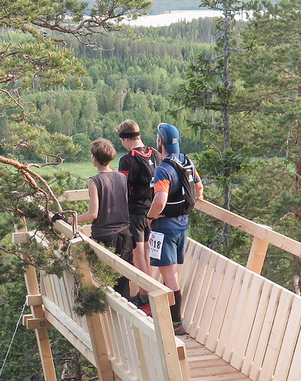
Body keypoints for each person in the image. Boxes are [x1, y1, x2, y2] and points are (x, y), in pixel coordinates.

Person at [147, 122, 203, 335]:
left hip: (165, 228)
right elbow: (199, 188)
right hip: (182, 225)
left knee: (168, 275)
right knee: (173, 273)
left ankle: (175, 324)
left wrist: (149, 217)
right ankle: (171, 318)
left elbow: (160, 201)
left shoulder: (163, 170)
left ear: (160, 142)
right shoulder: (187, 162)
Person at [73, 137, 133, 299]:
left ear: (94, 158)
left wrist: (71, 220)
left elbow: (93, 213)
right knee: (122, 284)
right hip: (125, 235)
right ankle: (124, 321)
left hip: (105, 237)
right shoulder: (122, 177)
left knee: (104, 284)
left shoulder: (95, 181)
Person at [116, 119, 156, 279]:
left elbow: (122, 189)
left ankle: (145, 295)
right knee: (147, 253)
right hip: (154, 211)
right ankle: (151, 294)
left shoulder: (127, 160)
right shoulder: (155, 154)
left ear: (126, 138)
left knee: (137, 253)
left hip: (135, 212)